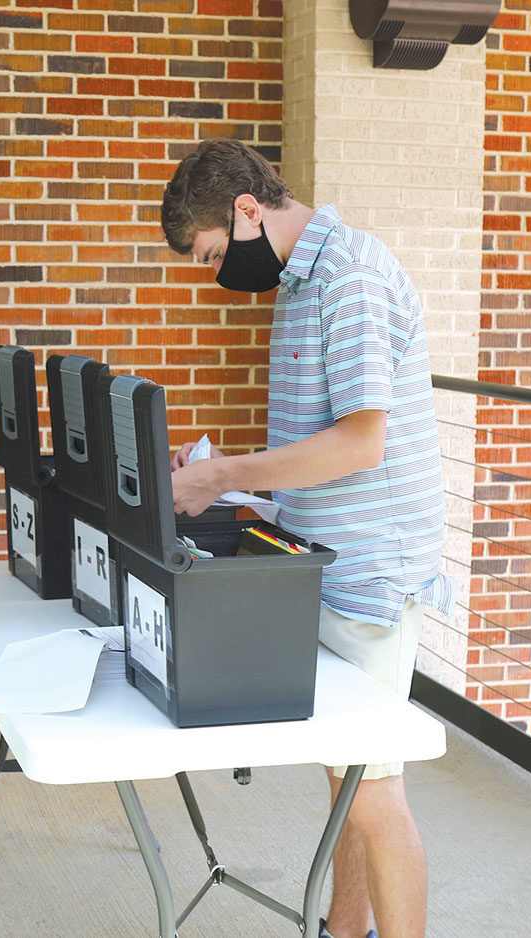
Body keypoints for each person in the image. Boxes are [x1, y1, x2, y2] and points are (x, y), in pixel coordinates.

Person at [160, 137, 455, 938]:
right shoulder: (298, 282)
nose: (215, 272)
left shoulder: (350, 275)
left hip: (371, 569)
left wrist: (221, 480)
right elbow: (314, 445)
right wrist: (226, 468)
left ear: (248, 210)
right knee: (348, 777)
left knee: (372, 790)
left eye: (214, 251)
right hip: (319, 557)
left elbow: (363, 444)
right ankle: (341, 930)